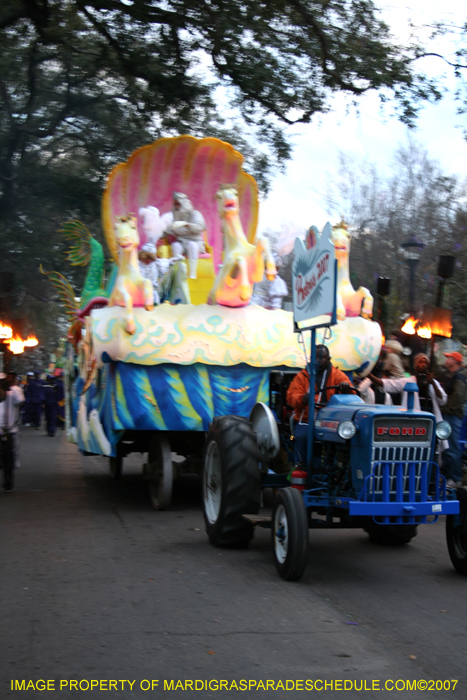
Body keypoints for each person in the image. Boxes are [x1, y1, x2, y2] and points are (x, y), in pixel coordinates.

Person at [286, 345, 353, 463]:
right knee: (303, 437)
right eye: (316, 357)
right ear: (311, 358)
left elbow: (353, 395)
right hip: (306, 421)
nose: (319, 360)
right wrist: (302, 398)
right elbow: (291, 397)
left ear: (329, 359)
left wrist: (347, 389)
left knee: (347, 438)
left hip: (332, 422)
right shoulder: (302, 376)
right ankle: (300, 468)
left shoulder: (338, 375)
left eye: (322, 357)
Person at [369, 354, 447, 454]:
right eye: (421, 362)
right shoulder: (408, 381)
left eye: (426, 362)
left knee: (431, 451)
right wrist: (369, 376)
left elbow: (443, 400)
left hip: (432, 425)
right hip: (414, 426)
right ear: (416, 365)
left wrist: (433, 383)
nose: (424, 365)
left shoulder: (433, 382)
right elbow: (389, 385)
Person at [435, 351, 467, 486]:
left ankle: (454, 478)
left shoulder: (459, 377)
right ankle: (447, 476)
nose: (446, 359)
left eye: (449, 358)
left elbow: (458, 397)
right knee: (446, 447)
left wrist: (446, 409)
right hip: (448, 414)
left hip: (452, 416)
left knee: (452, 446)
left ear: (455, 360)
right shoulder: (450, 375)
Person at [164, 192, 207, 279]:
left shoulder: (195, 214)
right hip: (181, 242)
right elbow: (169, 230)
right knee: (175, 245)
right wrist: (158, 233)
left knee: (192, 245)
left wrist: (186, 225)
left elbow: (199, 228)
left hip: (195, 242)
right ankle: (177, 273)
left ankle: (192, 274)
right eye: (175, 204)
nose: (176, 206)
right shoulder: (174, 215)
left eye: (178, 204)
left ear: (184, 204)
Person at [0, 372, 25, 491]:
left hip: (8, 431)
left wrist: (12, 387)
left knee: (8, 459)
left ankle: (8, 482)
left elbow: (20, 400)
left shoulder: (12, 393)